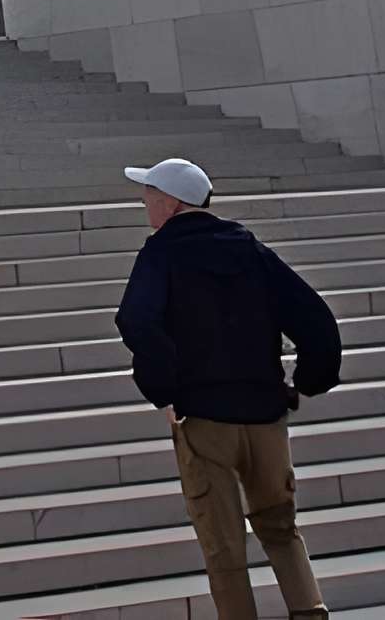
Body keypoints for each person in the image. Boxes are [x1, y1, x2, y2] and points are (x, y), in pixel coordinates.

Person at [114, 157, 343, 620]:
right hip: (265, 413)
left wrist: (164, 390)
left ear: (172, 203)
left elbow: (137, 320)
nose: (145, 203)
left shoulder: (161, 253)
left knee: (223, 545)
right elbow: (316, 319)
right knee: (281, 528)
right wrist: (306, 383)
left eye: (150, 195)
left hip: (203, 418)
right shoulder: (248, 249)